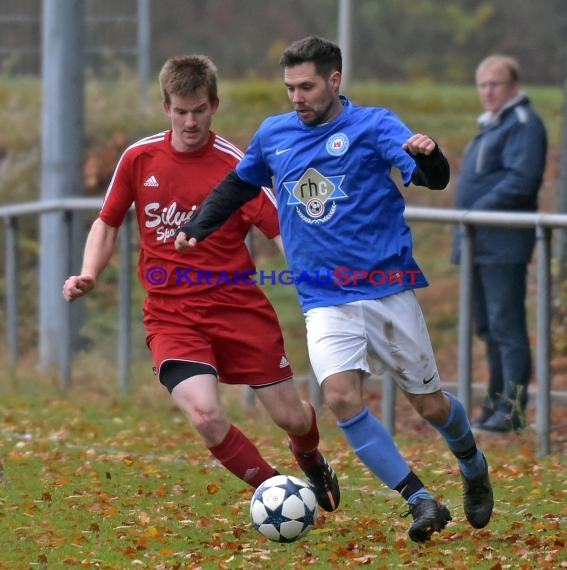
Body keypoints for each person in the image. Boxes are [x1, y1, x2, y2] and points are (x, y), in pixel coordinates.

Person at [174, 36, 493, 543]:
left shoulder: (374, 125)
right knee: (340, 398)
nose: (295, 98)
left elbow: (430, 178)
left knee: (430, 406)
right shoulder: (274, 133)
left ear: (335, 80)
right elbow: (239, 184)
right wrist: (200, 223)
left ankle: (472, 464)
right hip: (323, 299)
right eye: (289, 88)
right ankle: (419, 499)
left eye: (306, 86)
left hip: (386, 288)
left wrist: (428, 157)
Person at [61, 54, 340, 514]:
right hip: (173, 316)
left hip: (238, 310)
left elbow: (280, 230)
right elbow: (107, 222)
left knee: (291, 416)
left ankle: (308, 456)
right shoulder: (139, 158)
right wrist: (90, 272)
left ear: (214, 105)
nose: (190, 122)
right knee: (205, 415)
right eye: (180, 111)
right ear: (166, 107)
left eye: (199, 111)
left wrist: (311, 276)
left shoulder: (237, 168)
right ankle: (278, 495)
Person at [453, 55, 547, 433]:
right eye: (483, 84)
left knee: (507, 327)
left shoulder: (522, 124)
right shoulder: (492, 125)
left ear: (513, 86)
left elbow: (522, 180)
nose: (488, 91)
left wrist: (477, 212)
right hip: (479, 241)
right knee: (488, 328)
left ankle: (512, 409)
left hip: (502, 242)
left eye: (496, 84)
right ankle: (495, 405)